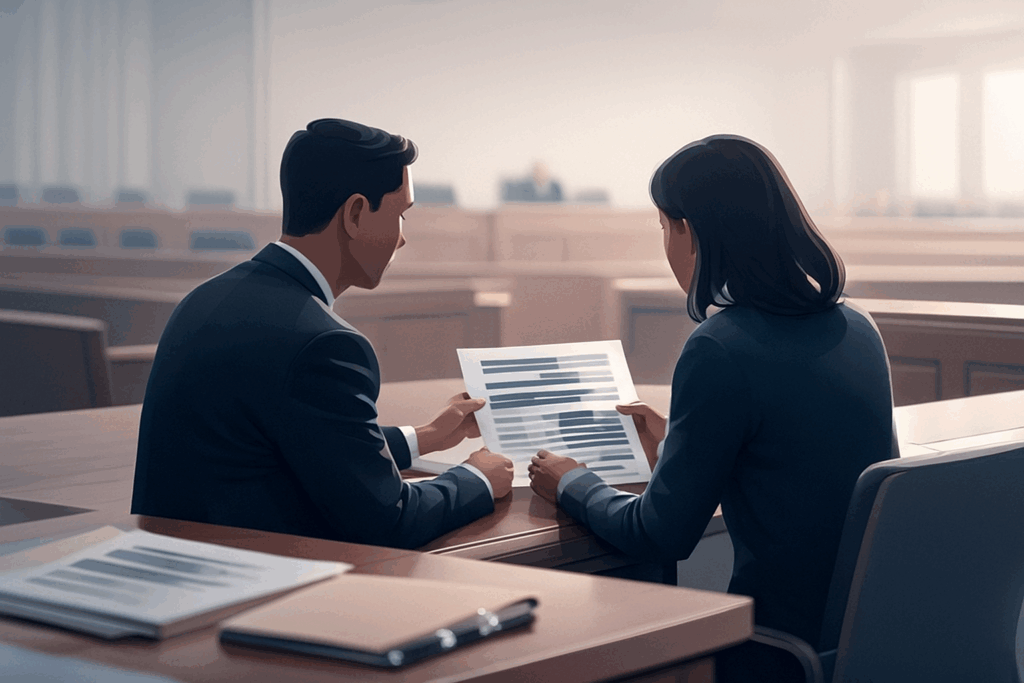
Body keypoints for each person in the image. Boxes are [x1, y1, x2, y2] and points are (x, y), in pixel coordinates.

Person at [528, 135, 897, 655]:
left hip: (773, 651)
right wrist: (682, 440)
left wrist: (574, 483)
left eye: (663, 227)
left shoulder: (720, 348)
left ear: (690, 230)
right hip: (865, 642)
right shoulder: (858, 327)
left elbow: (658, 535)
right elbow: (794, 463)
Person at [132, 118, 513, 549]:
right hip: (261, 577)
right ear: (353, 214)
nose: (403, 239)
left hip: (173, 555)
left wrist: (423, 436)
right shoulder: (325, 343)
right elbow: (389, 519)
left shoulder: (205, 299)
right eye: (400, 215)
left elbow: (298, 442)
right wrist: (477, 477)